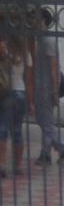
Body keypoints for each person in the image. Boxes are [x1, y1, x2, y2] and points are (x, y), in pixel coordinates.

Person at [32, 7, 64, 166]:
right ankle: (55, 151)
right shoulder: (40, 39)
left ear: (43, 21)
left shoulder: (48, 40)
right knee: (43, 120)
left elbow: (54, 66)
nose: (32, 22)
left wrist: (55, 90)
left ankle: (51, 153)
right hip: (41, 86)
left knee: (46, 122)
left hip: (47, 88)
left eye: (35, 19)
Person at [0, 26, 31, 178]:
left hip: (6, 92)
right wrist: (30, 102)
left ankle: (1, 164)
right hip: (21, 92)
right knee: (17, 130)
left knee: (2, 129)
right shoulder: (25, 54)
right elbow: (29, 79)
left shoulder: (4, 51)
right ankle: (17, 166)